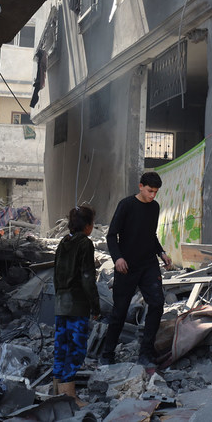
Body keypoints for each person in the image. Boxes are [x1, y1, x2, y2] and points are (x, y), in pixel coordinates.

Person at [101, 171, 172, 367]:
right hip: (126, 267)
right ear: (141, 186)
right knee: (120, 312)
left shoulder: (155, 208)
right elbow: (111, 236)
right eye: (150, 191)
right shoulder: (126, 205)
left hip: (148, 265)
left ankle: (146, 353)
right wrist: (118, 258)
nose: (152, 196)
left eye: (156, 192)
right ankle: (107, 354)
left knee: (157, 304)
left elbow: (151, 235)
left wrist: (162, 253)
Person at [53, 205, 100, 406]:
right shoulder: (85, 244)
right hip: (77, 305)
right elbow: (87, 277)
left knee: (60, 347)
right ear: (87, 226)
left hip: (61, 303)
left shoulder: (63, 242)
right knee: (76, 348)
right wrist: (95, 307)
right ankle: (69, 395)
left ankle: (57, 389)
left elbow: (56, 275)